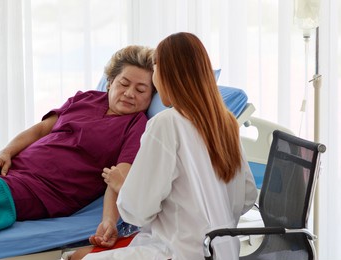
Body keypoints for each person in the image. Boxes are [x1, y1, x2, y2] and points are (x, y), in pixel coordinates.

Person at [73, 32, 258, 260]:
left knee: (77, 257)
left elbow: (137, 212)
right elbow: (248, 196)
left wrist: (124, 185)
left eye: (155, 68)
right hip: (223, 253)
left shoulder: (166, 123)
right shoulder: (227, 121)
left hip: (176, 253)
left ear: (166, 73)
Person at [0, 45, 155, 237]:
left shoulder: (137, 126)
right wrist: (5, 153)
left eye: (141, 90)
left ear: (151, 95)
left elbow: (118, 177)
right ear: (110, 82)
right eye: (124, 84)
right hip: (13, 168)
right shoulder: (86, 98)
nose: (129, 94)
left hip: (42, 190)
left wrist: (109, 222)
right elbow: (41, 130)